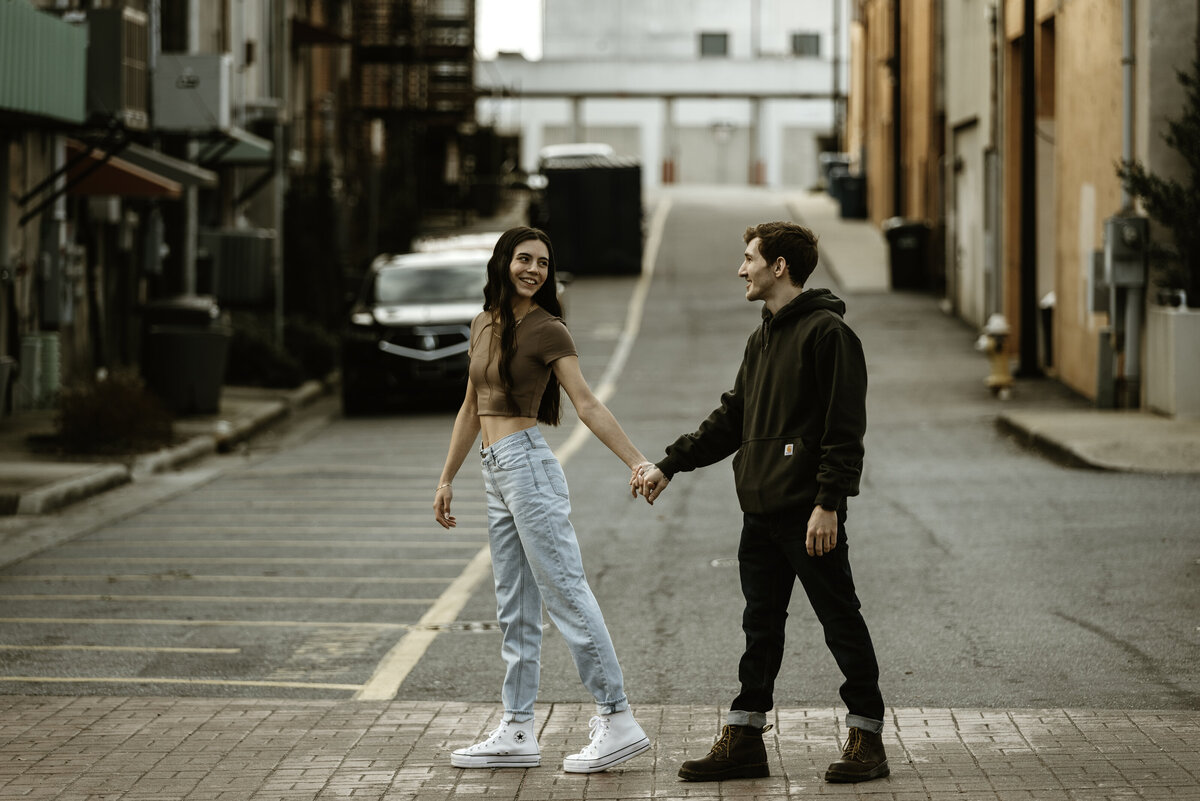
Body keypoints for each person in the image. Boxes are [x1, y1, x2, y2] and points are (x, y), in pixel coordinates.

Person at [634, 221, 888, 784]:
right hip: (761, 509)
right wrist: (671, 464)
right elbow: (734, 417)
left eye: (749, 258)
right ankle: (746, 739)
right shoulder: (763, 336)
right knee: (761, 626)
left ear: (779, 267)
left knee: (839, 618)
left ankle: (867, 737)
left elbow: (845, 429)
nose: (740, 268)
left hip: (808, 511)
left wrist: (828, 502)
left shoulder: (829, 334)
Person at [434, 226, 653, 774]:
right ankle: (516, 728)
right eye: (524, 259)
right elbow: (470, 407)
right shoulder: (483, 323)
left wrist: (638, 461)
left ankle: (618, 717)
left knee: (565, 593)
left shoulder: (548, 329)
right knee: (515, 607)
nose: (533, 269)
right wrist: (446, 478)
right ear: (503, 261)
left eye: (542, 262)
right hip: (494, 471)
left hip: (528, 467)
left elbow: (586, 403)